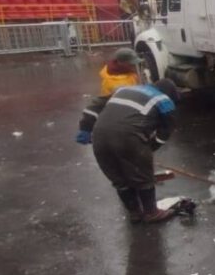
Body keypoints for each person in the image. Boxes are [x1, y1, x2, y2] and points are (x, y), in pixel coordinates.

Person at [76, 79, 180, 223]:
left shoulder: (124, 90)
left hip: (99, 136)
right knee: (143, 177)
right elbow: (165, 131)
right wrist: (149, 148)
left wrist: (85, 128)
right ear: (169, 94)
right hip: (129, 137)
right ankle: (151, 213)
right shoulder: (164, 101)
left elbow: (93, 107)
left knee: (119, 179)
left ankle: (134, 213)